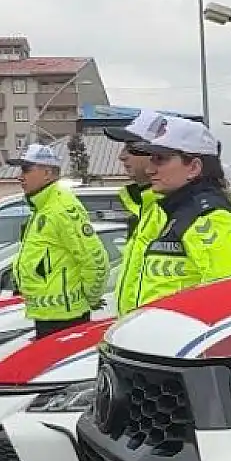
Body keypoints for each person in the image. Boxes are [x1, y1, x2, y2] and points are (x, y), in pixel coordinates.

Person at [125, 113, 231, 308]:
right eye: (151, 160)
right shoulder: (175, 212)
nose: (150, 170)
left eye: (160, 160)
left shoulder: (210, 218)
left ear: (194, 168)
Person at [5, 143, 109, 339]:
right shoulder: (42, 207)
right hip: (48, 314)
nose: (20, 176)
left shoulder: (62, 208)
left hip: (66, 317)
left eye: (26, 169)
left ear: (47, 173)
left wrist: (90, 298)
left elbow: (95, 260)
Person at [101, 117, 165, 314]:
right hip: (138, 326)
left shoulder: (180, 210)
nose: (122, 156)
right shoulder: (144, 208)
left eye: (132, 148)